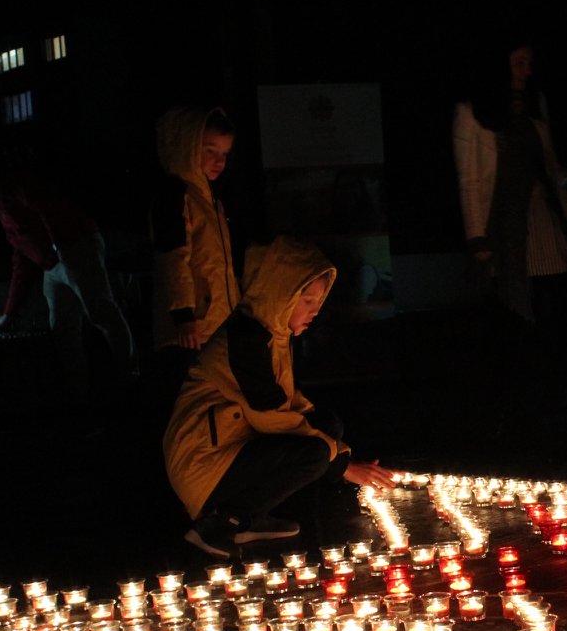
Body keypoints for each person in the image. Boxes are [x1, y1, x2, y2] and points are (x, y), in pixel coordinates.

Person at [165, 236, 396, 560]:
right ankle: (219, 524)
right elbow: (270, 413)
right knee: (314, 453)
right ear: (280, 293)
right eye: (306, 300)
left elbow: (287, 400)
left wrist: (339, 450)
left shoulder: (272, 333)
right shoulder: (246, 340)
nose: (315, 310)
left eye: (319, 300)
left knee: (327, 425)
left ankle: (248, 516)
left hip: (233, 441)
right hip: (203, 462)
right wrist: (342, 465)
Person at [451, 35, 567, 420]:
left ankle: (559, 394)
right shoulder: (473, 112)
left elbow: (548, 164)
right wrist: (477, 236)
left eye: (529, 63)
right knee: (516, 305)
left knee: (556, 297)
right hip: (505, 222)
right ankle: (522, 398)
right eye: (519, 63)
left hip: (541, 215)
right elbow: (470, 179)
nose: (527, 71)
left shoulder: (534, 108)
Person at [0, 145, 137, 409]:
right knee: (62, 327)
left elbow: (45, 205)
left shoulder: (11, 189)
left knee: (100, 310)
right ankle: (78, 396)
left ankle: (130, 376)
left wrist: (58, 243)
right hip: (53, 266)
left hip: (75, 245)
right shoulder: (7, 223)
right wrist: (9, 312)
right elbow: (21, 264)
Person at [147, 105, 243, 419]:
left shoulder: (207, 198)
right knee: (187, 404)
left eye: (225, 153)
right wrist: (183, 315)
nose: (220, 160)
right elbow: (173, 257)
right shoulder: (175, 195)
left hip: (212, 323)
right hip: (190, 329)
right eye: (210, 150)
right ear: (188, 147)